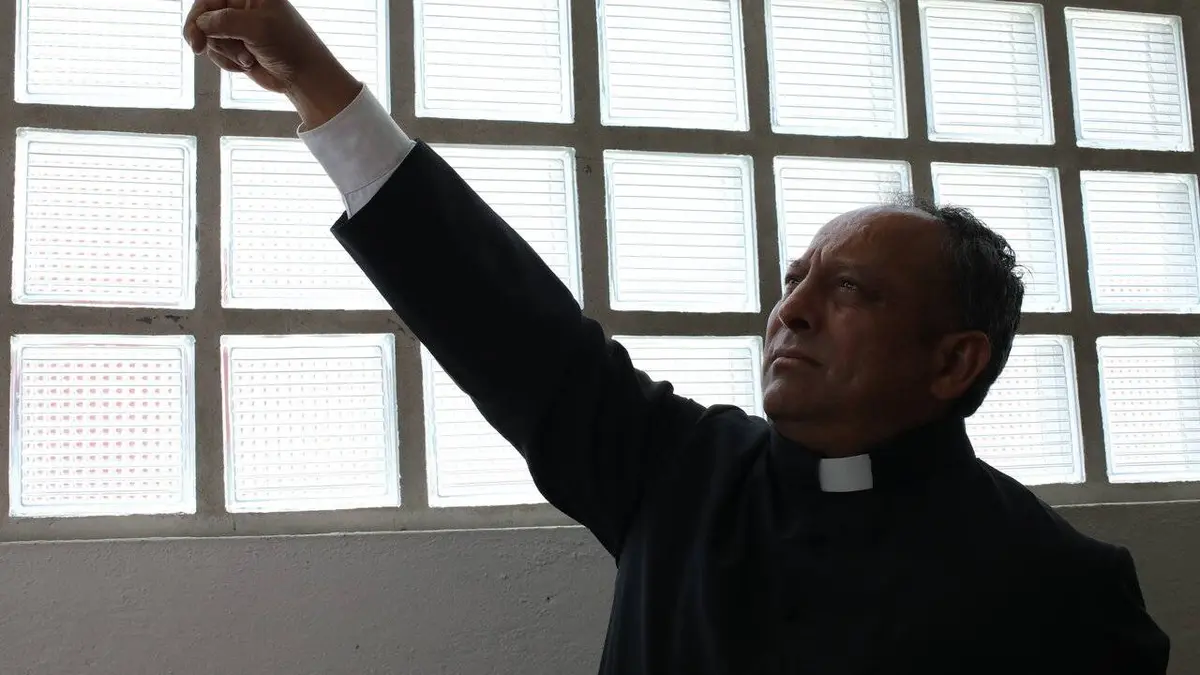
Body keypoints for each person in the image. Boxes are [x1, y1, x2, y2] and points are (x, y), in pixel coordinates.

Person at [185, 2, 1171, 672]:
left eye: (849, 290)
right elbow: (496, 310)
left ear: (955, 359)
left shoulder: (1064, 592)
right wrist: (317, 83)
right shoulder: (680, 471)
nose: (792, 311)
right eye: (793, 282)